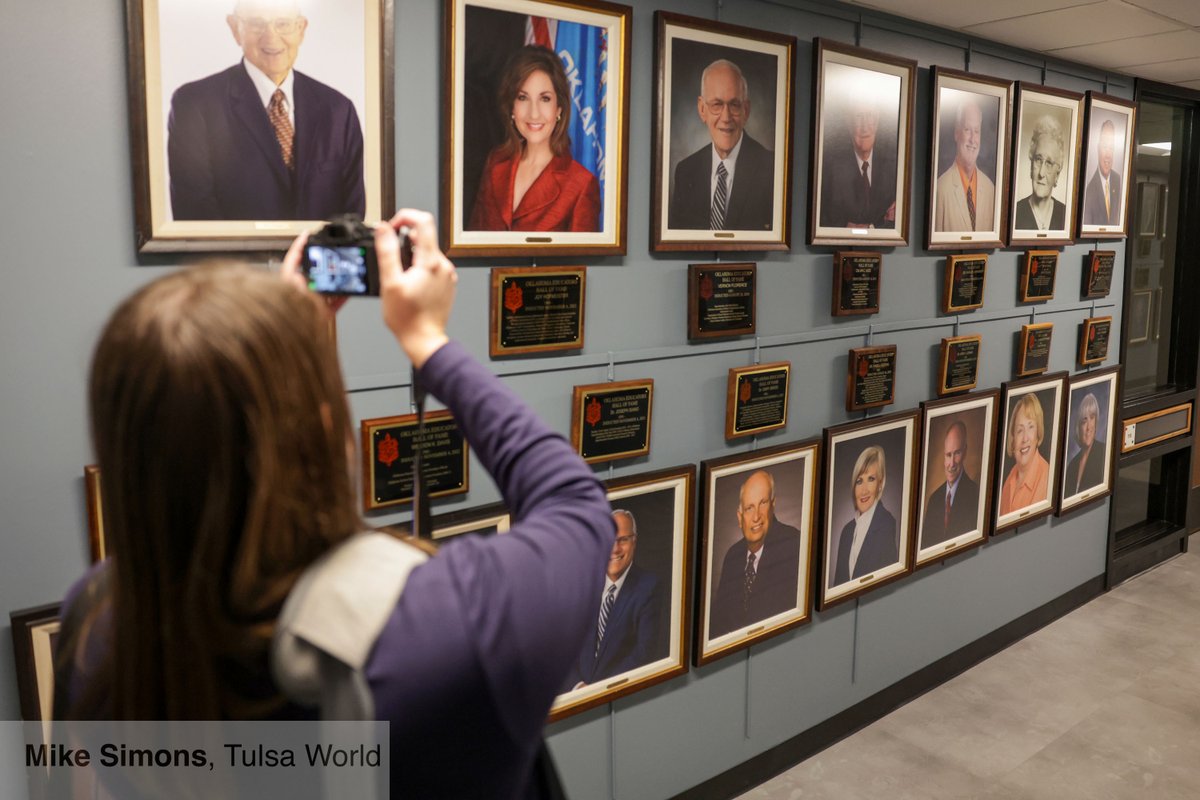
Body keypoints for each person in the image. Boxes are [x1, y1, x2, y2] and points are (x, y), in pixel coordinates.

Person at [54, 209, 614, 799]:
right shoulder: (443, 633)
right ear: (325, 427)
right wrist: (428, 342)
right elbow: (574, 502)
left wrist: (293, 357)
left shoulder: (98, 624)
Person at [167, 1, 365, 221]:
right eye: (257, 24)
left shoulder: (338, 110)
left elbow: (351, 214)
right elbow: (195, 213)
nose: (271, 37)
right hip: (232, 256)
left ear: (301, 29)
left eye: (283, 24)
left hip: (318, 256)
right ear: (234, 28)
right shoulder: (195, 105)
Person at [468, 45, 601, 232]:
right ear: (511, 108)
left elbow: (581, 260)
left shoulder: (581, 184)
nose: (534, 113)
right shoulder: (496, 162)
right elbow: (473, 244)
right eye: (523, 98)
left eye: (545, 99)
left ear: (559, 109)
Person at [668, 59, 774, 231]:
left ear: (746, 110)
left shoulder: (772, 170)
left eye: (734, 105)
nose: (726, 117)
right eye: (717, 105)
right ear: (702, 109)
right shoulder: (685, 171)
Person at [564, 510, 664, 692]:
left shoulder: (649, 587)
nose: (615, 549)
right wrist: (578, 686)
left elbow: (644, 653)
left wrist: (599, 690)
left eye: (623, 540)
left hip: (619, 696)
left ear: (634, 541)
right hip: (576, 696)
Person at [709, 471, 801, 639]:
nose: (756, 516)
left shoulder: (794, 544)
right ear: (739, 517)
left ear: (773, 505)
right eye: (749, 508)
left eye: (763, 503)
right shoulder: (732, 556)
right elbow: (718, 623)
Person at [819, 96, 897, 229]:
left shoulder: (894, 167)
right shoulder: (829, 170)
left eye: (870, 116)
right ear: (848, 123)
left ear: (877, 120)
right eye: (858, 117)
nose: (865, 127)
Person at [833, 446, 898, 585]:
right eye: (859, 481)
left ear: (880, 483)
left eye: (871, 479)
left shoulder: (886, 524)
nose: (864, 490)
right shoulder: (847, 531)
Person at [933, 99, 995, 233]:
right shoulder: (940, 189)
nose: (972, 139)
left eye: (977, 131)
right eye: (967, 130)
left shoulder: (991, 190)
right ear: (956, 133)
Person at [920, 421, 980, 548]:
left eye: (957, 453)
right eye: (948, 455)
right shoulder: (934, 499)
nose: (951, 463)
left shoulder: (976, 494)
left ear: (965, 452)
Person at [1013, 116, 1067, 231]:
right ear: (1031, 164)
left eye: (1049, 163)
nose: (1041, 173)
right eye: (1038, 159)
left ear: (1057, 175)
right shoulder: (1015, 213)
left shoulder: (1065, 215)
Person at [999, 394, 1050, 515]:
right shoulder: (1009, 480)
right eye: (1020, 430)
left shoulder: (1046, 477)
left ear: (1038, 433)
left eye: (1031, 427)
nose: (1025, 438)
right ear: (1013, 438)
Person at [1083, 120, 1122, 227]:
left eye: (1111, 148)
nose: (1108, 155)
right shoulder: (1089, 191)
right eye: (1105, 147)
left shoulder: (1117, 180)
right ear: (1098, 149)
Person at [1065, 392, 1105, 495]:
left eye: (1092, 418)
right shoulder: (1072, 466)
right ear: (1079, 427)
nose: (1088, 427)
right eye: (1084, 421)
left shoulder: (1104, 454)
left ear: (1096, 422)